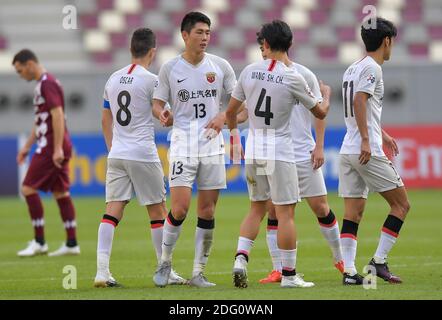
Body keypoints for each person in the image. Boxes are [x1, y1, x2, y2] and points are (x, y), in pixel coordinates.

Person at [225, 20, 331, 288]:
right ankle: (289, 275)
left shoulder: (249, 71)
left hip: (254, 149)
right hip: (280, 151)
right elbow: (320, 112)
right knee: (285, 215)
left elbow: (230, 112)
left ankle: (240, 258)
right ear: (290, 44)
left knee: (256, 209)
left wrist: (235, 137)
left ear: (266, 45)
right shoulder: (292, 76)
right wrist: (326, 95)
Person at [94, 28, 186, 287]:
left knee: (112, 211)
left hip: (117, 154)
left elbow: (105, 118)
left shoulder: (113, 78)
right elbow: (164, 115)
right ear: (153, 51)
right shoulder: (151, 80)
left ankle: (102, 272)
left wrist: (113, 148)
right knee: (157, 211)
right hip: (143, 153)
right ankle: (164, 270)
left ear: (131, 49)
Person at [152, 12, 237, 288]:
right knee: (179, 208)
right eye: (199, 32)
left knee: (208, 211)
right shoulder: (170, 68)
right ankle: (165, 263)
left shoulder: (221, 66)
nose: (205, 38)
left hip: (212, 146)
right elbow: (157, 103)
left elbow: (240, 107)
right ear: (185, 35)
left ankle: (198, 273)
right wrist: (162, 113)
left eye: (208, 32)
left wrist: (225, 117)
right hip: (182, 145)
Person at [339, 17, 410, 285]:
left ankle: (349, 272)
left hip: (348, 149)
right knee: (401, 204)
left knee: (353, 212)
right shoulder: (373, 69)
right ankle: (378, 262)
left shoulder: (352, 68)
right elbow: (360, 100)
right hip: (364, 150)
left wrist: (383, 133)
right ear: (387, 41)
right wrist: (368, 140)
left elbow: (363, 108)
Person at [13, 49, 80, 257]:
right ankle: (71, 243)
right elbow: (41, 120)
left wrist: (57, 147)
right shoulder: (44, 84)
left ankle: (40, 241)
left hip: (51, 146)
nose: (20, 74)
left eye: (20, 70)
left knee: (27, 189)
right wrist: (26, 146)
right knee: (61, 192)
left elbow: (57, 114)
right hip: (52, 143)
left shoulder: (46, 83)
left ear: (30, 64)